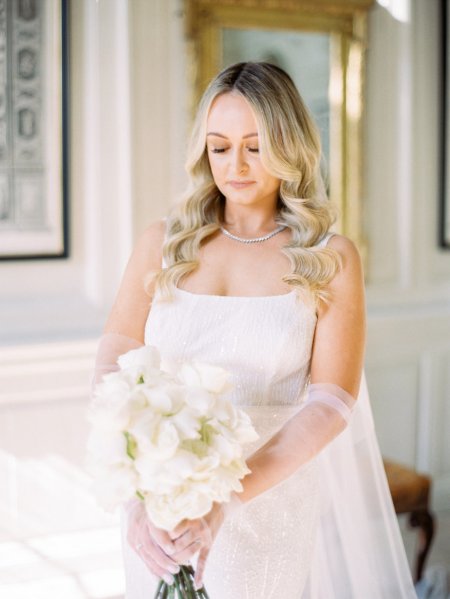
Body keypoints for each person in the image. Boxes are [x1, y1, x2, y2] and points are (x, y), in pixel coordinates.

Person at [93, 62, 417, 598]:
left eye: (256, 145)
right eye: (220, 147)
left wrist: (225, 500)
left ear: (289, 145)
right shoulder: (162, 242)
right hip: (161, 504)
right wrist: (136, 496)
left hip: (269, 503)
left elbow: (333, 401)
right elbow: (115, 359)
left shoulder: (328, 257)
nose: (235, 165)